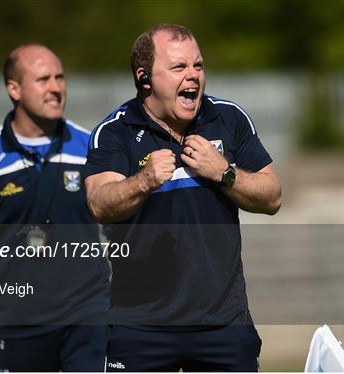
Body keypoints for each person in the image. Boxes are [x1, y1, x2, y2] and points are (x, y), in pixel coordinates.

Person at [84, 24, 281, 372]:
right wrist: (143, 180)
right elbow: (100, 203)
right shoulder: (115, 131)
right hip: (140, 327)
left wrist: (224, 173)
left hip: (224, 323)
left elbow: (272, 196)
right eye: (179, 67)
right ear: (145, 78)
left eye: (199, 66)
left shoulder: (228, 118)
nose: (193, 76)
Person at [0, 44, 110, 372]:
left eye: (60, 77)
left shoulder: (92, 149)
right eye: (43, 79)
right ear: (14, 89)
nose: (56, 88)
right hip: (16, 323)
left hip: (90, 318)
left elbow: (121, 225)